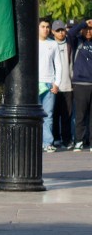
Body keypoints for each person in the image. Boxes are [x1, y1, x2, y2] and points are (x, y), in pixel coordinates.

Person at [38, 17, 62, 152]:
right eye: (43, 27)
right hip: (34, 84)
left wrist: (57, 83)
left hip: (49, 84)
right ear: (37, 28)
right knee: (34, 116)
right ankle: (36, 142)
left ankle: (47, 143)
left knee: (48, 115)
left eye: (47, 27)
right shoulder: (31, 43)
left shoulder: (53, 44)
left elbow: (59, 64)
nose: (45, 29)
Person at [69, 19, 92, 150]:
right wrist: (84, 23)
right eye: (86, 29)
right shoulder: (77, 41)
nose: (88, 31)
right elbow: (70, 33)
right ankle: (79, 141)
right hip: (80, 83)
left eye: (91, 29)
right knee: (80, 115)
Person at [51, 20, 74, 148]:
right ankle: (55, 138)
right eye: (58, 30)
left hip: (68, 85)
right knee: (54, 114)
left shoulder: (70, 44)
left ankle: (66, 139)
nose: (61, 33)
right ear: (53, 32)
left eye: (62, 30)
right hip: (54, 86)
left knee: (67, 115)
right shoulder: (50, 44)